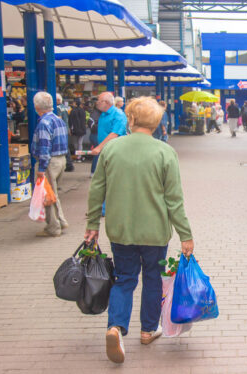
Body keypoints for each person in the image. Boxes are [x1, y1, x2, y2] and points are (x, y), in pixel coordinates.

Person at [84, 97, 194, 364]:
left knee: (124, 279)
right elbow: (174, 200)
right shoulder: (164, 152)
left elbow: (97, 189)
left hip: (120, 230)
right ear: (156, 123)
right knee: (153, 279)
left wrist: (91, 225)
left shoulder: (111, 149)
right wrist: (185, 234)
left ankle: (116, 327)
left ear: (130, 120)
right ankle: (148, 330)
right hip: (155, 231)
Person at [30, 92, 69, 237]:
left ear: (37, 106)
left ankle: (53, 227)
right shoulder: (59, 120)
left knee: (47, 196)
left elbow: (44, 147)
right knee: (54, 193)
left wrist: (41, 168)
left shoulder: (44, 123)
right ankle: (61, 220)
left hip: (49, 163)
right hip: (61, 160)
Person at [90, 92, 127, 157]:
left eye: (99, 100)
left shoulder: (118, 115)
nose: (97, 103)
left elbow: (114, 134)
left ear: (106, 102)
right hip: (105, 151)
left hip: (115, 153)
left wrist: (99, 147)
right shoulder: (103, 114)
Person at [56, 93, 74, 172]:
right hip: (66, 128)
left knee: (64, 147)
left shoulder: (58, 108)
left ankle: (69, 164)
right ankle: (69, 164)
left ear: (58, 100)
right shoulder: (66, 108)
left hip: (60, 130)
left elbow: (58, 118)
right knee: (66, 146)